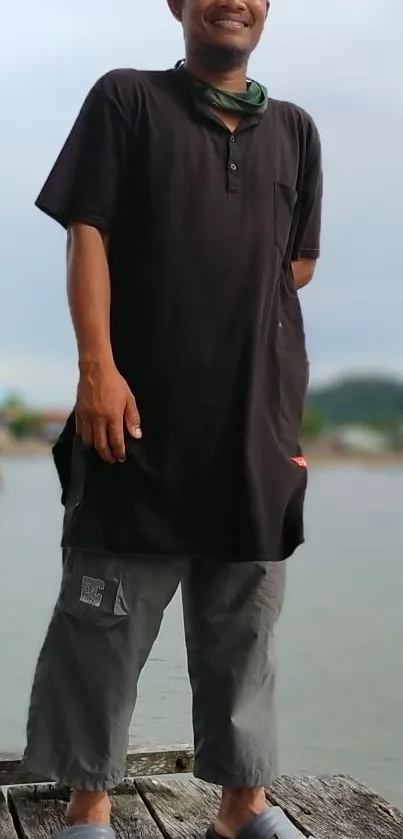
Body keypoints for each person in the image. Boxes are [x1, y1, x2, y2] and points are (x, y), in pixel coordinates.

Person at [24, 2, 323, 838]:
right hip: (134, 411)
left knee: (245, 621)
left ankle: (243, 805)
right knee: (103, 617)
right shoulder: (126, 99)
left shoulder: (295, 130)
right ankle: (90, 805)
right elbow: (88, 233)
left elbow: (294, 263)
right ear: (178, 5)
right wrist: (99, 368)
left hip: (255, 420)